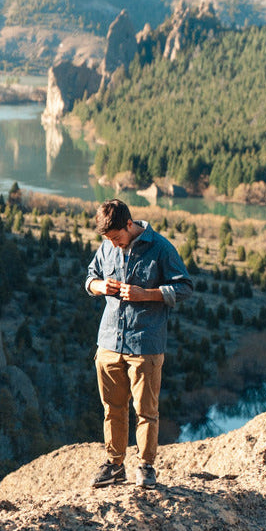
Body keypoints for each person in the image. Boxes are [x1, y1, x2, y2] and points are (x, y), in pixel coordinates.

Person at [86, 198, 193, 489]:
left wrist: (146, 294)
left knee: (146, 411)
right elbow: (90, 278)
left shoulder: (161, 248)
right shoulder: (107, 246)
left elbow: (185, 287)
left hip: (145, 344)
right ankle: (114, 465)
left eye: (117, 237)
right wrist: (99, 286)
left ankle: (145, 466)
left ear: (129, 224)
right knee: (112, 408)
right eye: (109, 239)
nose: (114, 244)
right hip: (109, 342)